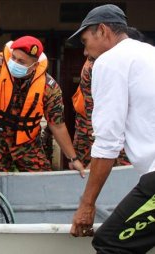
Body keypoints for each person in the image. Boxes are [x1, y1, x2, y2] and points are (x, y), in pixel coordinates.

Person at [68, 4, 155, 253]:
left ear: (103, 31)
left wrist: (87, 204)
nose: (85, 52)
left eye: (85, 42)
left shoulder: (109, 62)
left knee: (111, 243)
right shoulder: (148, 53)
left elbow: (108, 142)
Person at [0, 35, 84, 174]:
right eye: (14, 58)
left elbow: (57, 125)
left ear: (34, 65)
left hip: (27, 143)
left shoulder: (49, 87)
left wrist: (73, 159)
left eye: (21, 62)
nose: (15, 63)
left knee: (42, 184)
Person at [72, 27, 147, 168]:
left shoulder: (140, 65)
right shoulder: (94, 67)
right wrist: (97, 157)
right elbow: (97, 119)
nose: (86, 52)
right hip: (100, 139)